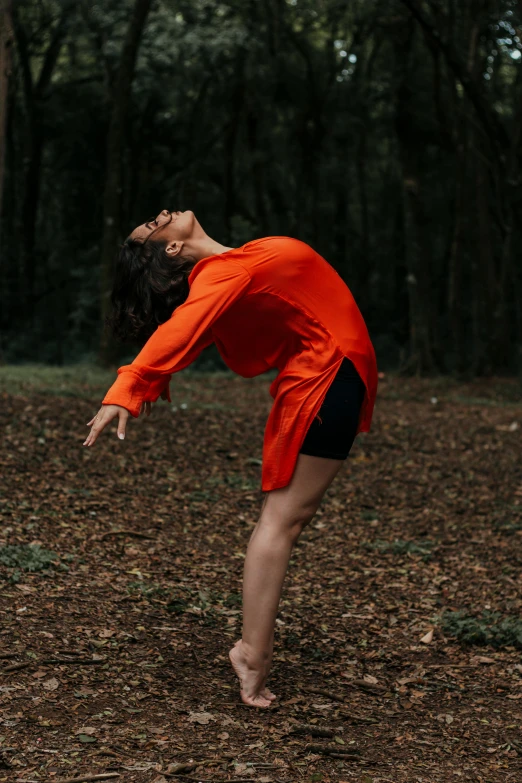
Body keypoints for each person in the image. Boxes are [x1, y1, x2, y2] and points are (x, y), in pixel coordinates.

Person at [84, 209, 378, 708]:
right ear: (171, 249)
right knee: (283, 521)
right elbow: (182, 329)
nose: (160, 215)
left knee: (288, 519)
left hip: (335, 373)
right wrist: (130, 384)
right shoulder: (224, 273)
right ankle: (251, 654)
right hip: (326, 380)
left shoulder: (231, 268)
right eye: (154, 226)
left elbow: (194, 322)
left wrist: (152, 378)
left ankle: (252, 651)